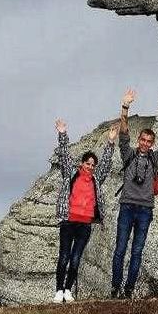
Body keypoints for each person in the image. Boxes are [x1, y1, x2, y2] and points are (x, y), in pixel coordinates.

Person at [112, 89, 158, 299]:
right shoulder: (128, 153)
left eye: (148, 141)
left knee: (136, 252)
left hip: (145, 210)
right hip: (127, 206)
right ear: (139, 140)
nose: (145, 143)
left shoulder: (155, 158)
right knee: (120, 250)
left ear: (151, 143)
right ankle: (115, 287)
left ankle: (129, 289)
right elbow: (123, 134)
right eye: (142, 140)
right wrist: (125, 107)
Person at [51, 119, 115, 302]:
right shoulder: (71, 173)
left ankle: (68, 289)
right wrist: (62, 133)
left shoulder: (96, 179)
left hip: (85, 224)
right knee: (64, 256)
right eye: (88, 163)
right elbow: (63, 155)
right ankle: (58, 290)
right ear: (81, 163)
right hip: (68, 221)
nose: (91, 167)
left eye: (93, 165)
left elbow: (106, 164)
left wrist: (110, 142)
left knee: (76, 258)